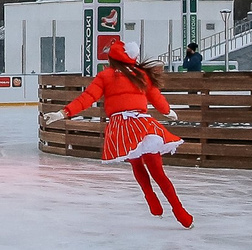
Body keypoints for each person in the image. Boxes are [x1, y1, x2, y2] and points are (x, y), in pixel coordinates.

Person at [46, 36, 191, 227]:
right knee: (157, 170)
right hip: (142, 124)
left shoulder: (106, 76)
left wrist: (63, 112)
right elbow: (156, 97)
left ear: (111, 59)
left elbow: (87, 98)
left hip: (123, 127)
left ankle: (152, 199)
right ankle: (180, 211)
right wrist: (167, 111)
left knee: (137, 164)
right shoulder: (140, 74)